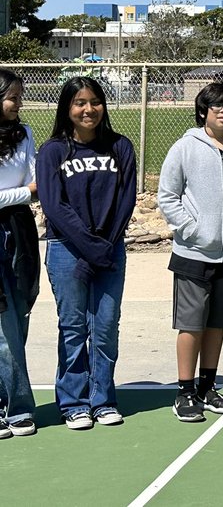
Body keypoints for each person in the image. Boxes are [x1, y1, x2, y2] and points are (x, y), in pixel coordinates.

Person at [158, 82, 223, 423]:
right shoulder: (184, 148)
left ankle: (207, 386)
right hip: (191, 253)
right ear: (203, 109)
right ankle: (185, 391)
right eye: (217, 105)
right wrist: (193, 230)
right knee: (192, 325)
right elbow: (168, 197)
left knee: (217, 323)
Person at [37, 76, 137, 430]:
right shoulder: (53, 151)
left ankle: (103, 400)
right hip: (67, 250)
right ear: (67, 109)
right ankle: (74, 402)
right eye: (79, 103)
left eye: (94, 101)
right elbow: (54, 205)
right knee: (73, 328)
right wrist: (90, 248)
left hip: (110, 249)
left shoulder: (120, 146)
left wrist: (103, 247)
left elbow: (125, 201)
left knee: (106, 327)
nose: (88, 109)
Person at [0, 69, 39, 437]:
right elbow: (27, 188)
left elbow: (37, 182)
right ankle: (16, 407)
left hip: (20, 231)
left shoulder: (24, 133)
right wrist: (22, 192)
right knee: (3, 323)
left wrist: (23, 192)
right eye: (13, 96)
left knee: (21, 310)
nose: (19, 102)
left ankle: (7, 397)